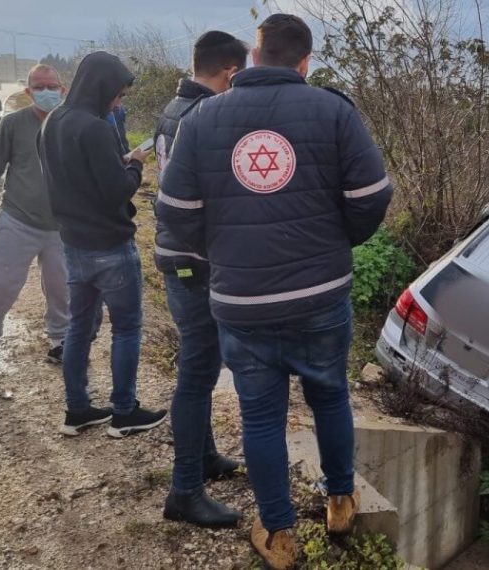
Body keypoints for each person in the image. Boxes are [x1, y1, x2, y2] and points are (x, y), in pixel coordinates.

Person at [159, 14, 392, 569]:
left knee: (260, 417)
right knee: (330, 396)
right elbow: (373, 196)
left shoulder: (202, 118)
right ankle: (340, 501)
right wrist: (336, 240)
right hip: (321, 295)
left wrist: (224, 252)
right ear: (305, 61)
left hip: (241, 302)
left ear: (255, 57)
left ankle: (281, 537)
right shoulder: (334, 111)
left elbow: (173, 213)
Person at [38, 51, 167, 438]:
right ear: (101, 87)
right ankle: (124, 412)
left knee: (78, 328)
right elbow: (117, 190)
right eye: (118, 94)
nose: (118, 102)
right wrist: (136, 163)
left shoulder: (53, 123)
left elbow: (74, 176)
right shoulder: (94, 127)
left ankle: (77, 410)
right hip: (110, 246)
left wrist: (118, 161)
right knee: (127, 328)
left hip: (73, 243)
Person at [154, 30, 248, 530]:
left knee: (203, 367)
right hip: (192, 264)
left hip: (179, 259)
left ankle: (205, 458)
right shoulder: (203, 119)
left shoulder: (174, 108)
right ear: (230, 71)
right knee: (196, 373)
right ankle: (184, 490)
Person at [0, 65, 68, 376]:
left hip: (63, 227)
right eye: (39, 86)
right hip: (18, 220)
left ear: (63, 90)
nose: (46, 91)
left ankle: (61, 342)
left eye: (52, 86)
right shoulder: (12, 124)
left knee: (64, 290)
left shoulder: (71, 124)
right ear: (28, 91)